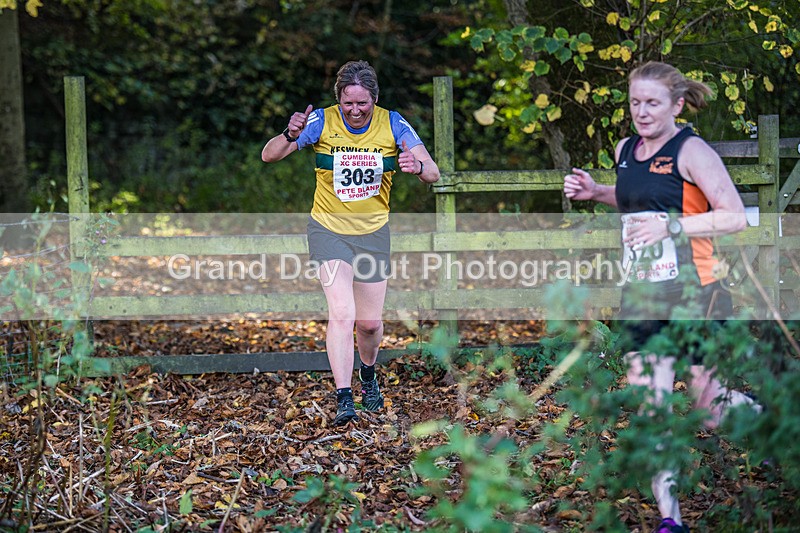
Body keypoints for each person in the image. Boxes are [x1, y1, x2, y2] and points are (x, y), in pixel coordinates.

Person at [563, 61, 760, 533]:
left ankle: (771, 420)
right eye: (635, 102)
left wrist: (672, 225)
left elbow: (734, 215)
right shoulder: (625, 149)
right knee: (650, 409)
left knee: (708, 409)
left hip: (696, 293)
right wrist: (598, 192)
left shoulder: (692, 150)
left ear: (676, 104)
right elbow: (637, 199)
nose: (642, 112)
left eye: (652, 103)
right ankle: (671, 520)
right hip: (642, 297)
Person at [261, 60, 440, 426]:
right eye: (348, 104)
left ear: (375, 99)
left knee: (370, 324)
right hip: (328, 230)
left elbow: (433, 173)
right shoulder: (320, 122)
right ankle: (344, 399)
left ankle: (369, 375)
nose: (355, 111)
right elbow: (269, 155)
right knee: (342, 312)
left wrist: (416, 167)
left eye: (363, 103)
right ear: (338, 100)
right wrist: (290, 134)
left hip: (373, 233)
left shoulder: (393, 123)